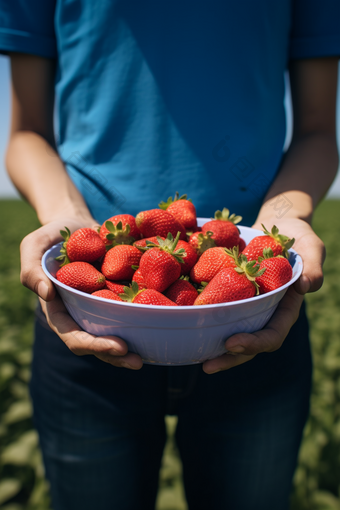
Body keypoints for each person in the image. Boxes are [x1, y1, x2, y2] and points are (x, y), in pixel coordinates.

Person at [0, 1, 339, 509]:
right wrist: (66, 217)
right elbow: (27, 132)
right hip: (89, 309)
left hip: (255, 312)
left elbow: (317, 130)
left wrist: (281, 223)